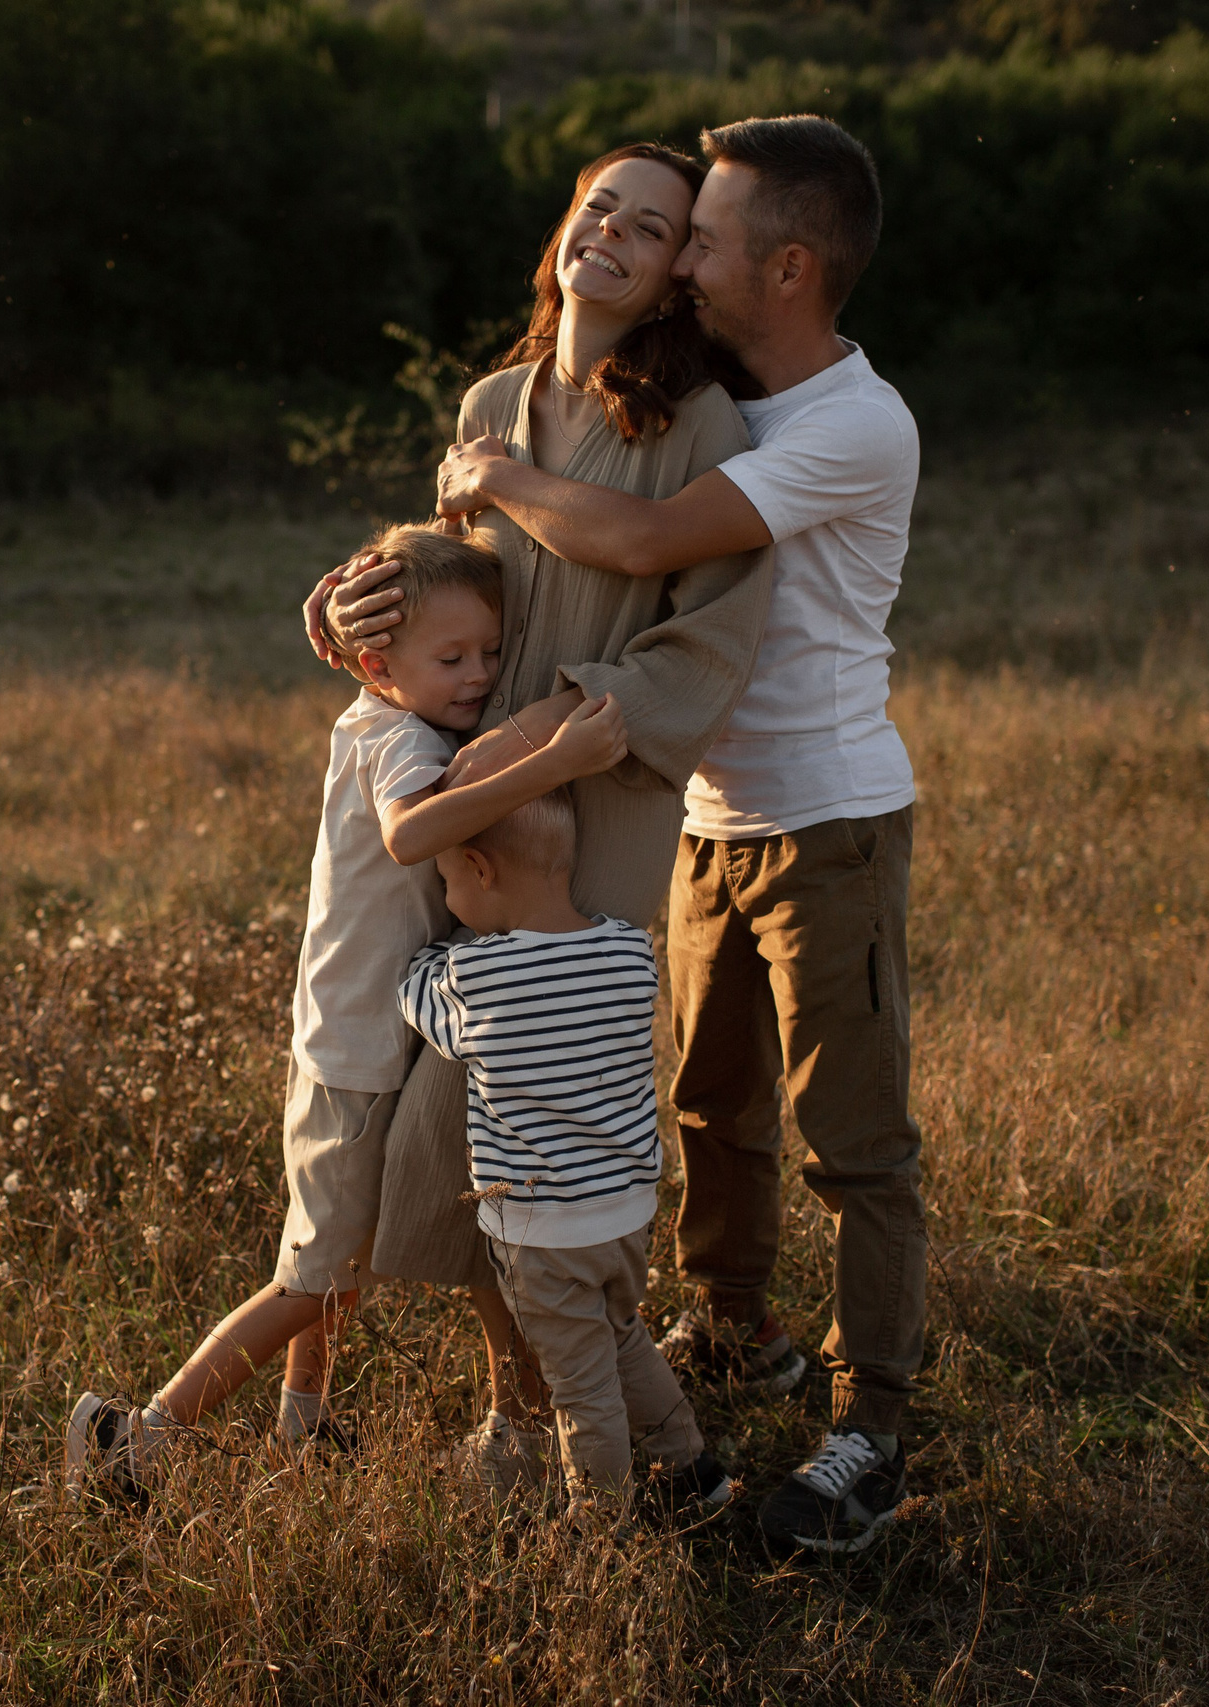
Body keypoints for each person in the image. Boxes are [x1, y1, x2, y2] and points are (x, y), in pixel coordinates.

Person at [409, 113, 928, 1556]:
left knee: (857, 1143)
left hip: (828, 812)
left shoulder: (847, 422)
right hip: (696, 811)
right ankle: (735, 1326)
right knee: (709, 1110)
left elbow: (642, 546)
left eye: (705, 238)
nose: (681, 256)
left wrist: (491, 471)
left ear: (793, 265)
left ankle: (871, 1423)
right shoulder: (721, 397)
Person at [301, 141, 775, 1482]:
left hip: (599, 812)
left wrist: (559, 721)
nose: (613, 235)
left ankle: (588, 1433)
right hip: (468, 822)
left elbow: (713, 639)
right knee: (461, 1125)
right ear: (564, 229)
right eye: (596, 208)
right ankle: (529, 1408)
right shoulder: (493, 402)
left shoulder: (699, 431)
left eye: (652, 227)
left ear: (681, 268)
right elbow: (436, 590)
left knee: (548, 1129)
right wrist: (344, 610)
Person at [67, 524, 625, 1500]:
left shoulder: (370, 715)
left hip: (358, 1034)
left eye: (489, 654)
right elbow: (412, 832)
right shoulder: (403, 741)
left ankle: (305, 1417)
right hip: (358, 1052)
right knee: (315, 1274)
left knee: (338, 1256)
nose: (476, 676)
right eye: (450, 658)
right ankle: (143, 1434)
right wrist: (553, 757)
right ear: (376, 660)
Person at [399, 785, 731, 1523]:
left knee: (580, 1386)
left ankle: (599, 1526)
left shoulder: (476, 978)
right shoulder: (625, 947)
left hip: (545, 1234)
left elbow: (413, 990)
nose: (447, 898)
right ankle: (691, 1465)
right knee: (621, 1340)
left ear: (483, 870)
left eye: (448, 880)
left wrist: (433, 954)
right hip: (625, 1214)